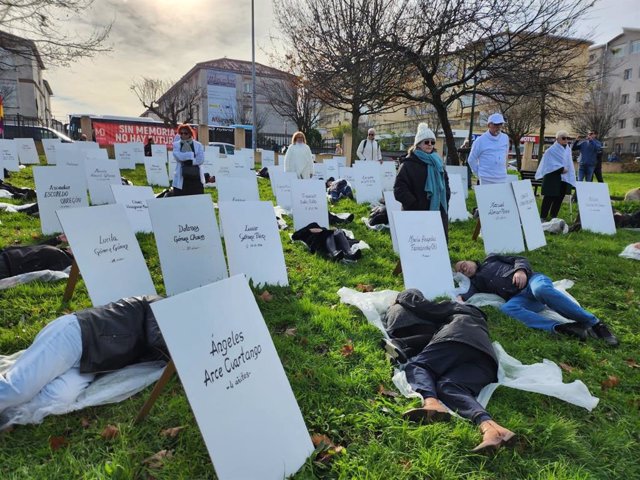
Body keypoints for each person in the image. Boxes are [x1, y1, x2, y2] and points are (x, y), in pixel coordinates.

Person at [382, 289, 515, 453]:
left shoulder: (460, 309)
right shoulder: (478, 324)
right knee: (449, 386)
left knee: (419, 366)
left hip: (457, 337)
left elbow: (425, 307)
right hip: (486, 360)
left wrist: (401, 296)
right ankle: (492, 429)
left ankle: (432, 403)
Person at [0, 296, 168, 423]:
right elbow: (155, 336)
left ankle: (8, 417)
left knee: (59, 399)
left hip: (91, 364)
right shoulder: (157, 305)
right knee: (18, 389)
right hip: (76, 335)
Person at [454, 255, 619, 346]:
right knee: (507, 309)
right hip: (519, 298)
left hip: (534, 281)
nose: (463, 268)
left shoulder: (491, 259)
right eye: (461, 271)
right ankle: (564, 328)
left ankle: (595, 323)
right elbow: (467, 295)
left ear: (469, 260)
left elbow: (519, 258)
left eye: (462, 264)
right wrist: (460, 298)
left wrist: (520, 270)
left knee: (541, 290)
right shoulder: (476, 283)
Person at [393, 123, 450, 240]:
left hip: (438, 211)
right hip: (415, 213)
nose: (430, 145)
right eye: (426, 142)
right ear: (418, 144)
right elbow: (399, 189)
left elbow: (445, 183)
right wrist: (415, 204)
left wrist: (446, 197)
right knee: (417, 246)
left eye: (432, 142)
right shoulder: (407, 164)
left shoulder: (437, 162)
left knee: (436, 244)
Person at [535, 130, 576, 221]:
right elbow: (549, 164)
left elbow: (569, 162)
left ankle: (554, 215)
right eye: (563, 138)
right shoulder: (551, 150)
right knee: (549, 197)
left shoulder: (568, 149)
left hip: (563, 178)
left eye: (567, 138)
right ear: (557, 139)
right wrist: (561, 169)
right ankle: (543, 216)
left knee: (559, 197)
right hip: (552, 178)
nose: (566, 140)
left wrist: (569, 171)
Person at [467, 113, 510, 184]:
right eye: (496, 124)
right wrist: (478, 174)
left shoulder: (505, 138)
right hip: (486, 178)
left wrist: (504, 169)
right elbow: (471, 159)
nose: (498, 127)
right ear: (489, 125)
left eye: (500, 124)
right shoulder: (480, 141)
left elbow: (505, 155)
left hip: (502, 177)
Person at [0, 238, 73, 280]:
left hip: (8, 266)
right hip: (7, 256)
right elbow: (37, 247)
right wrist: (57, 239)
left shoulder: (64, 259)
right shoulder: (61, 252)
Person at [171, 124, 204, 196]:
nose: (183, 135)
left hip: (195, 176)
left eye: (185, 133)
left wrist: (190, 161)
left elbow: (200, 160)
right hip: (181, 176)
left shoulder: (198, 145)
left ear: (190, 134)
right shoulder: (176, 145)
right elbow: (177, 156)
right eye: (181, 133)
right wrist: (191, 155)